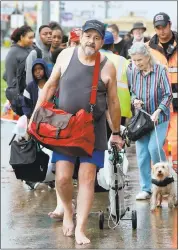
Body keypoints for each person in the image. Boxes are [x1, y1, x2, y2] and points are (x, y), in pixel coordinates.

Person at [28, 19, 123, 245]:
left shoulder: (107, 65)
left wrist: (117, 132)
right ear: (81, 36)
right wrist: (35, 115)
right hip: (65, 128)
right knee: (61, 178)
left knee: (87, 178)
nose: (92, 41)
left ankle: (80, 227)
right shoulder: (66, 56)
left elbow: (113, 100)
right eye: (88, 35)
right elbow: (50, 86)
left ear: (101, 42)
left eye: (97, 37)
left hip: (93, 128)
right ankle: (68, 213)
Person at [127, 42, 173, 200]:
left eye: (139, 60)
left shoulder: (160, 70)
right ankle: (146, 188)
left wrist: (159, 110)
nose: (137, 63)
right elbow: (132, 91)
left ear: (147, 56)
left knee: (154, 148)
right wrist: (135, 100)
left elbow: (168, 94)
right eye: (134, 60)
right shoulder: (134, 72)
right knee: (142, 154)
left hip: (159, 118)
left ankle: (166, 183)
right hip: (142, 119)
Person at [22, 58, 55, 189]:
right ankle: (34, 176)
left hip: (50, 122)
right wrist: (30, 124)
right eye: (35, 70)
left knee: (50, 150)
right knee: (36, 150)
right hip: (35, 124)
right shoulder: (30, 87)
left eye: (40, 69)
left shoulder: (51, 84)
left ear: (45, 70)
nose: (38, 72)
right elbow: (26, 105)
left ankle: (51, 176)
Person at [100, 31, 132, 139]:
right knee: (117, 141)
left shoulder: (92, 58)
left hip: (99, 105)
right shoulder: (123, 61)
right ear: (113, 45)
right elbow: (132, 81)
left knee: (100, 140)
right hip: (120, 105)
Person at [147, 12, 178, 113]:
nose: (161, 30)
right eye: (158, 28)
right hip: (158, 105)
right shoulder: (147, 48)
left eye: (164, 26)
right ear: (155, 28)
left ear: (170, 24)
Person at [4, 25, 34, 98]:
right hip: (20, 95)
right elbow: (10, 77)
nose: (32, 40)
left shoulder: (31, 48)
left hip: (31, 91)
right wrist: (18, 95)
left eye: (33, 37)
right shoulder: (13, 53)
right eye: (29, 38)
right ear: (21, 37)